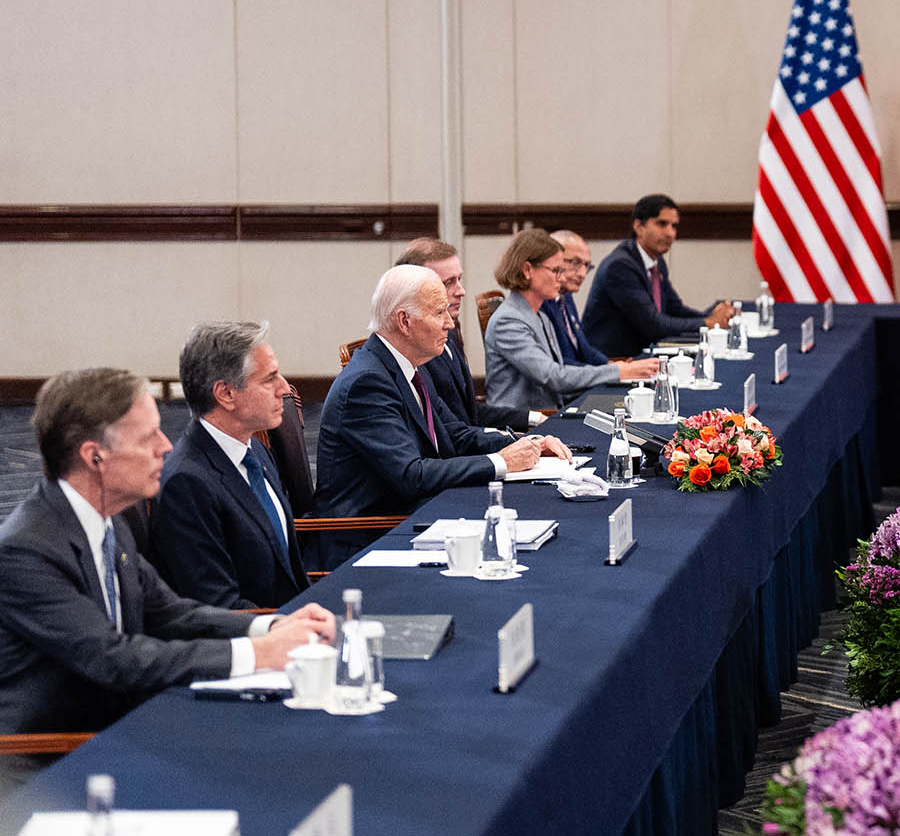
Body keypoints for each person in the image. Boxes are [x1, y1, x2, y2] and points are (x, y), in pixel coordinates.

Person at [0, 369, 333, 770]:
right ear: (94, 456)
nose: (166, 446)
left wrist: (272, 627)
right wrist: (257, 653)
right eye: (147, 438)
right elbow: (114, 658)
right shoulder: (26, 550)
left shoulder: (107, 520)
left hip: (121, 725)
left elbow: (171, 614)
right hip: (51, 760)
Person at [313, 266, 571, 561]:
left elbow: (456, 434)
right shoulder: (367, 382)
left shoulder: (408, 366)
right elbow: (411, 475)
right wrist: (501, 462)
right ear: (404, 321)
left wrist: (528, 445)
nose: (449, 323)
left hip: (412, 515)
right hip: (369, 539)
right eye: (439, 313)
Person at [147, 322, 310, 611]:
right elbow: (215, 606)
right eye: (270, 378)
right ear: (226, 394)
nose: (284, 388)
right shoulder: (186, 483)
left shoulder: (254, 449)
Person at [486, 229, 659, 412]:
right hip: (525, 425)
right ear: (528, 270)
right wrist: (618, 372)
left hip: (553, 411)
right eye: (555, 271)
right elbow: (553, 377)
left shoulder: (540, 316)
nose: (561, 278)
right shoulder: (509, 321)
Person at [394, 238, 529, 432]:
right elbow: (443, 431)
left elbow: (469, 412)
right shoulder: (412, 348)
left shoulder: (449, 330)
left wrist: (532, 420)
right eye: (448, 283)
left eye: (459, 279)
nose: (461, 291)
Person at [581, 194, 735, 357]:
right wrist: (708, 323)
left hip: (642, 354)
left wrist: (713, 317)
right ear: (639, 226)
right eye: (662, 224)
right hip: (614, 361)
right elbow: (654, 325)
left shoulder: (656, 262)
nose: (670, 233)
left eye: (674, 226)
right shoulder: (620, 267)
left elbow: (674, 309)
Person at [541, 229, 612, 367]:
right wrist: (606, 372)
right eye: (575, 263)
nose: (582, 274)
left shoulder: (565, 297)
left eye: (586, 266)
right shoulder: (540, 302)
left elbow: (583, 348)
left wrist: (611, 365)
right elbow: (555, 363)